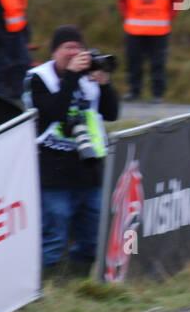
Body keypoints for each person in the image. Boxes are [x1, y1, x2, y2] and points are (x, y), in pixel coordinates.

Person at [23, 25, 120, 279]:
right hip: (54, 170)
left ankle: (75, 287)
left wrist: (105, 84)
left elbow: (111, 113)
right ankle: (47, 289)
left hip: (88, 170)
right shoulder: (38, 79)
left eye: (78, 48)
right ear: (54, 52)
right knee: (54, 235)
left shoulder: (89, 77)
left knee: (93, 237)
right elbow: (54, 113)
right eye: (68, 48)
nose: (74, 53)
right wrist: (71, 78)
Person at [118, 0, 175, 102]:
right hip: (134, 29)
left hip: (160, 30)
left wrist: (168, 17)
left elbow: (177, 0)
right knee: (134, 62)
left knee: (158, 63)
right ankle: (134, 91)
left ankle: (157, 94)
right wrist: (127, 16)